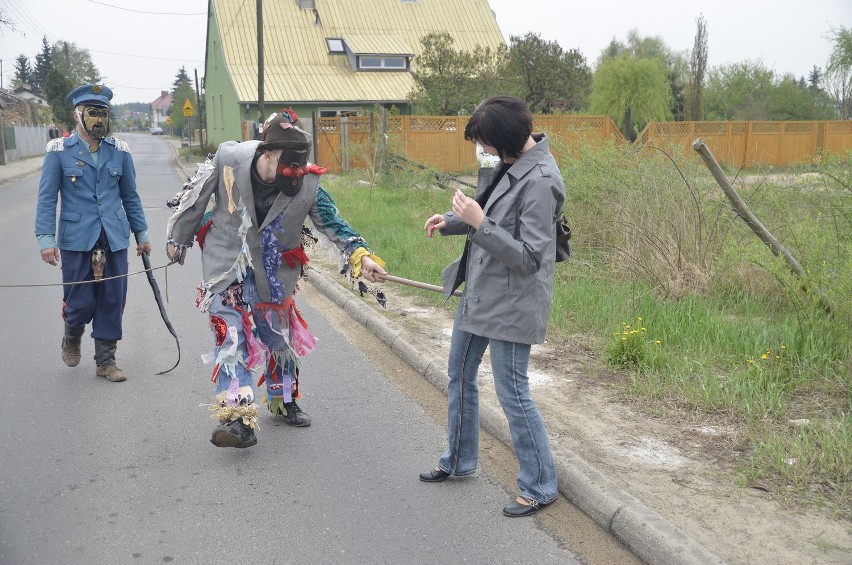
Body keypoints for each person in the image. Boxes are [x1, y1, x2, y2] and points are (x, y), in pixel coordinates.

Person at [165, 109, 387, 449]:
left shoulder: (308, 182)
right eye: (287, 166)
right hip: (227, 265)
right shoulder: (229, 157)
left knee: (279, 340)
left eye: (300, 168)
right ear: (266, 154)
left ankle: (282, 400)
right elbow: (196, 198)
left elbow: (331, 224)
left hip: (274, 271)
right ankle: (237, 419)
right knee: (230, 339)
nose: (295, 174)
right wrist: (178, 238)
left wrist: (360, 255)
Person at [420, 96, 565, 517]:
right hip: (482, 293)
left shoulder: (540, 179)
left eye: (485, 142)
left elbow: (529, 258)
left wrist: (479, 222)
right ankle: (459, 461)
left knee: (513, 392)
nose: (482, 150)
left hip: (513, 304)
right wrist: (453, 221)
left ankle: (540, 485)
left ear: (505, 139)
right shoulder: (509, 163)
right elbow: (490, 217)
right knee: (459, 375)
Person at [35, 83, 152, 383]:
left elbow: (131, 197)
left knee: (113, 297)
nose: (99, 120)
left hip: (113, 235)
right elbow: (47, 198)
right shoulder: (59, 152)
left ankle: (106, 361)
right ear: (77, 116)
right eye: (92, 113)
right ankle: (72, 334)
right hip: (77, 238)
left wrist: (142, 234)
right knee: (80, 301)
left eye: (103, 113)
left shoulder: (119, 152)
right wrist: (46, 239)